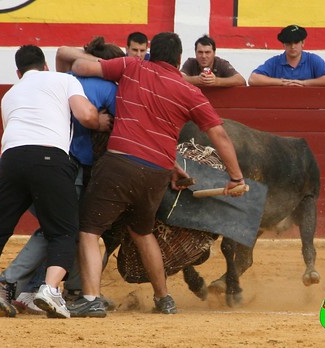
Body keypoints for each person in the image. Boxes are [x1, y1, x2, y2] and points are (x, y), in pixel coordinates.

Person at [66, 31, 246, 318]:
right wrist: (236, 178)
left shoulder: (132, 66)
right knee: (142, 231)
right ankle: (164, 298)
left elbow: (80, 67)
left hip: (120, 164)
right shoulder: (189, 91)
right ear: (177, 60)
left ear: (151, 52)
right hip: (157, 173)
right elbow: (219, 134)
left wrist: (75, 56)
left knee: (89, 231)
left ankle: (89, 298)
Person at [0, 44, 101, 319]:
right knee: (63, 231)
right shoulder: (64, 79)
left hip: (11, 161)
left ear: (19, 72)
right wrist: (102, 122)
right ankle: (49, 290)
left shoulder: (10, 94)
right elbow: (86, 115)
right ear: (45, 66)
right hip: (51, 159)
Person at [0, 37, 124, 317]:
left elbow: (63, 52)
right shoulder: (106, 87)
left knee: (62, 228)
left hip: (25, 160)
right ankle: (11, 282)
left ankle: (60, 288)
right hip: (65, 165)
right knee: (60, 229)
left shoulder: (60, 77)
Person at [248, 25, 325, 87]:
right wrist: (282, 82)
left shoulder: (312, 60)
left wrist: (304, 83)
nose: (293, 46)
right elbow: (253, 79)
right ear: (283, 44)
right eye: (289, 43)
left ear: (303, 43)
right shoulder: (275, 61)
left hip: (309, 111)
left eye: (296, 42)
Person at [180, 34, 246, 87]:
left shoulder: (221, 63)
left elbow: (241, 80)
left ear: (214, 53)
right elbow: (179, 78)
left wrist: (217, 81)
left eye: (207, 52)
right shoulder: (191, 62)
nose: (203, 56)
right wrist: (197, 80)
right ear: (195, 53)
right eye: (200, 52)